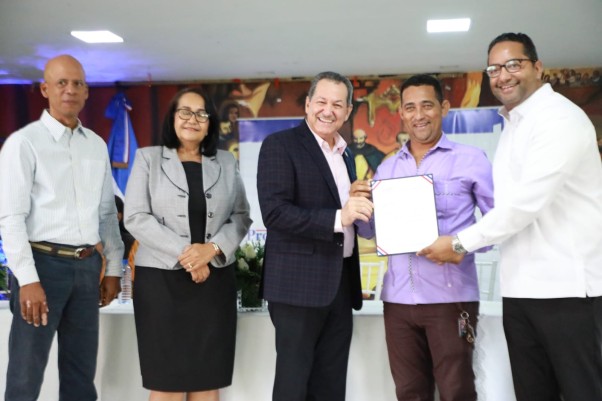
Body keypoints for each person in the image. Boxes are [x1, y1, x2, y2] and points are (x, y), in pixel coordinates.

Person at [419, 32, 602, 401]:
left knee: (582, 391)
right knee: (532, 393)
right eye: (493, 69)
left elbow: (524, 204)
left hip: (568, 292)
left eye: (513, 65)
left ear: (538, 67)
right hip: (520, 291)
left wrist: (459, 243)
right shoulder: (513, 126)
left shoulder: (559, 119)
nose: (502, 76)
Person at [356, 74, 494, 401]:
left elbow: (497, 223)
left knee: (457, 390)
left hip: (451, 299)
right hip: (397, 301)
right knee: (409, 392)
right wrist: (359, 205)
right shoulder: (387, 169)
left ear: (444, 108)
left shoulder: (471, 159)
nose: (419, 115)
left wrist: (459, 244)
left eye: (427, 105)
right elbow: (370, 231)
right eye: (410, 107)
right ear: (401, 113)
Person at [0, 55, 124, 401]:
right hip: (41, 267)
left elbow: (106, 213)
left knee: (81, 376)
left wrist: (114, 269)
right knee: (26, 375)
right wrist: (28, 279)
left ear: (86, 91)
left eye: (77, 83)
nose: (70, 90)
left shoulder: (96, 144)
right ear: (45, 89)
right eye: (61, 83)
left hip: (86, 267)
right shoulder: (24, 143)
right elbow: (10, 217)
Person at [124, 87, 252, 401]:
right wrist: (189, 255)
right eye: (185, 112)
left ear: (210, 124)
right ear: (172, 117)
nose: (192, 119)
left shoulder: (226, 161)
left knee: (207, 379)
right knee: (166, 381)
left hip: (214, 284)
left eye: (201, 113)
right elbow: (136, 217)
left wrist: (211, 250)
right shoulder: (148, 158)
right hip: (161, 285)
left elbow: (241, 216)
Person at [256, 71, 374, 401]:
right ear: (308, 104)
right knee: (294, 384)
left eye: (337, 104)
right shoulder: (280, 145)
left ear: (348, 111)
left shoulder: (345, 154)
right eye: (321, 101)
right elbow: (275, 213)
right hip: (297, 286)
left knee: (331, 384)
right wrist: (340, 217)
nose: (328, 110)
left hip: (340, 284)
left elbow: (346, 214)